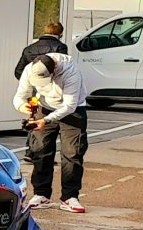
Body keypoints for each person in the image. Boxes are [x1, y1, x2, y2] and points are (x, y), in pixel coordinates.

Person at [12, 52, 89, 213]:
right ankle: (41, 194)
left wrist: (45, 121)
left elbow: (69, 106)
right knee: (41, 151)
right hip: (44, 107)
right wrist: (23, 107)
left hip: (73, 110)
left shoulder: (71, 71)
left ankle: (70, 196)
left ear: (54, 69)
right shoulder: (30, 69)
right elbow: (20, 96)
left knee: (72, 153)